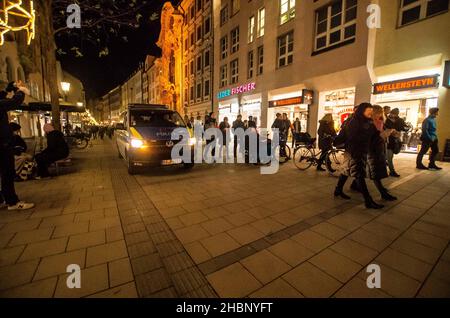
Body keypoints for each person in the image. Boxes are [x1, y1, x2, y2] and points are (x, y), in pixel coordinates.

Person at [334, 103, 384, 209]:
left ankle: (338, 190)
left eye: (371, 111)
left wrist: (380, 137)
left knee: (346, 171)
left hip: (361, 151)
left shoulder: (367, 121)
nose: (370, 113)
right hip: (354, 152)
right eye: (368, 111)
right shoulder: (353, 121)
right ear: (362, 111)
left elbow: (374, 135)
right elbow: (352, 138)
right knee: (359, 175)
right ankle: (368, 200)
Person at [0, 81, 34, 210]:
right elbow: (13, 102)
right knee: (7, 172)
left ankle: (2, 199)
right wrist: (21, 90)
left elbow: (2, 100)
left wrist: (9, 88)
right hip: (2, 143)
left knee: (4, 173)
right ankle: (12, 202)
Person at [367, 105, 397, 201]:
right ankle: (382, 193)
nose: (381, 114)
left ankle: (380, 191)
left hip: (377, 149)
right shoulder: (371, 123)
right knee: (375, 172)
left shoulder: (378, 122)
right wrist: (385, 133)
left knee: (372, 171)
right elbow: (375, 137)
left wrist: (389, 132)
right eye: (380, 112)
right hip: (373, 150)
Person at [384, 108, 408, 177]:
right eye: (391, 113)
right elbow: (384, 128)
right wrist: (391, 131)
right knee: (389, 157)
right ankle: (392, 171)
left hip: (396, 140)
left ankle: (385, 168)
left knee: (390, 156)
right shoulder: (387, 120)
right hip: (388, 140)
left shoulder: (400, 120)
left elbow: (405, 128)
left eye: (394, 114)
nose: (392, 115)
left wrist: (401, 131)